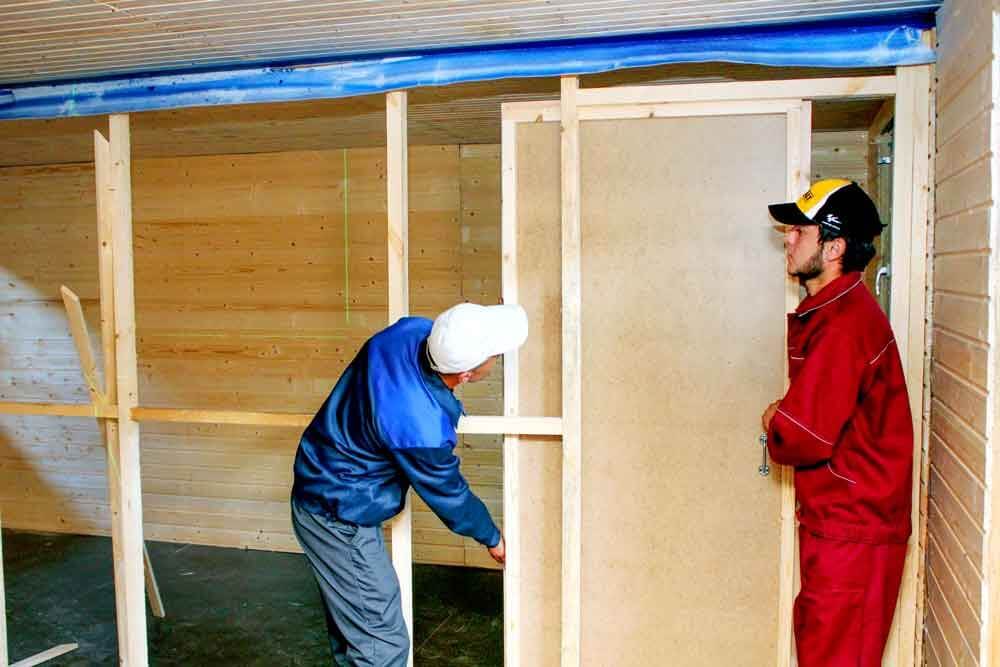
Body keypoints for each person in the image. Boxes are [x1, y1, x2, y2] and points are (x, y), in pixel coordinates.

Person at [291, 302, 528, 666]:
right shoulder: (420, 427)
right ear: (466, 374)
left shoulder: (407, 332)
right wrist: (493, 538)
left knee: (354, 630)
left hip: (320, 481)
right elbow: (449, 494)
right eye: (494, 355)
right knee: (381, 641)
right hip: (338, 514)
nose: (497, 358)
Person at [760, 179, 913, 666]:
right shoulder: (836, 312)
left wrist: (777, 418)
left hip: (854, 533)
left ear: (833, 248)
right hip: (842, 527)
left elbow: (802, 436)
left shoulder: (844, 324)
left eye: (798, 231)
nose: (788, 239)